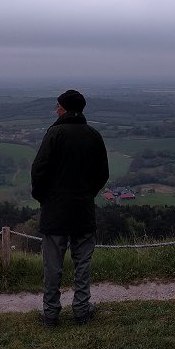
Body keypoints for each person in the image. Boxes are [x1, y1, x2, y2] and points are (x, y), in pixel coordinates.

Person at [31, 90, 109, 326]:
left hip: (55, 210)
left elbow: (39, 170)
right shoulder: (93, 135)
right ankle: (81, 310)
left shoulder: (54, 134)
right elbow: (102, 174)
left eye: (57, 106)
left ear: (63, 109)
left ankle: (51, 312)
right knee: (82, 263)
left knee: (53, 265)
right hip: (83, 208)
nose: (56, 109)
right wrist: (87, 194)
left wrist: (42, 197)